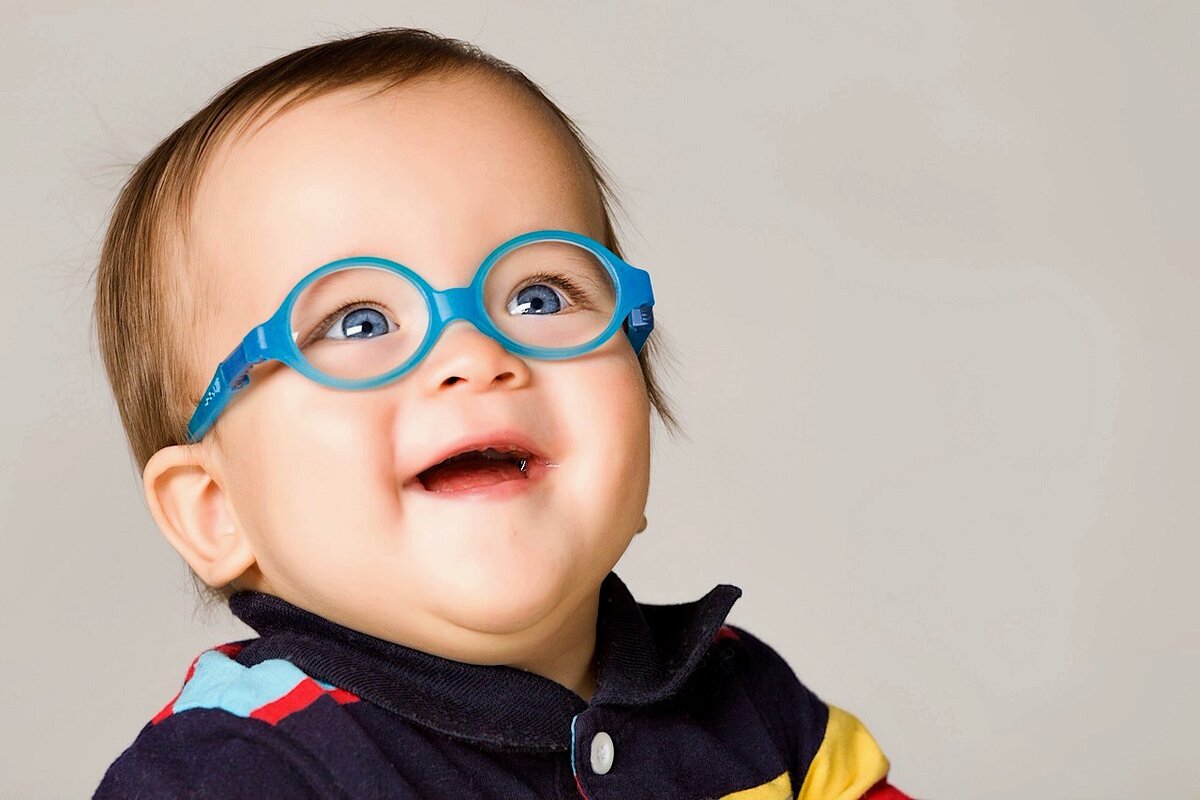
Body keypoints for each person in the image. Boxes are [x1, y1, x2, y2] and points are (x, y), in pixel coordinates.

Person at [91, 27, 913, 800]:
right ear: (216, 509)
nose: (476, 354)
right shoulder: (238, 773)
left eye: (539, 296)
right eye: (359, 322)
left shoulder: (757, 711)